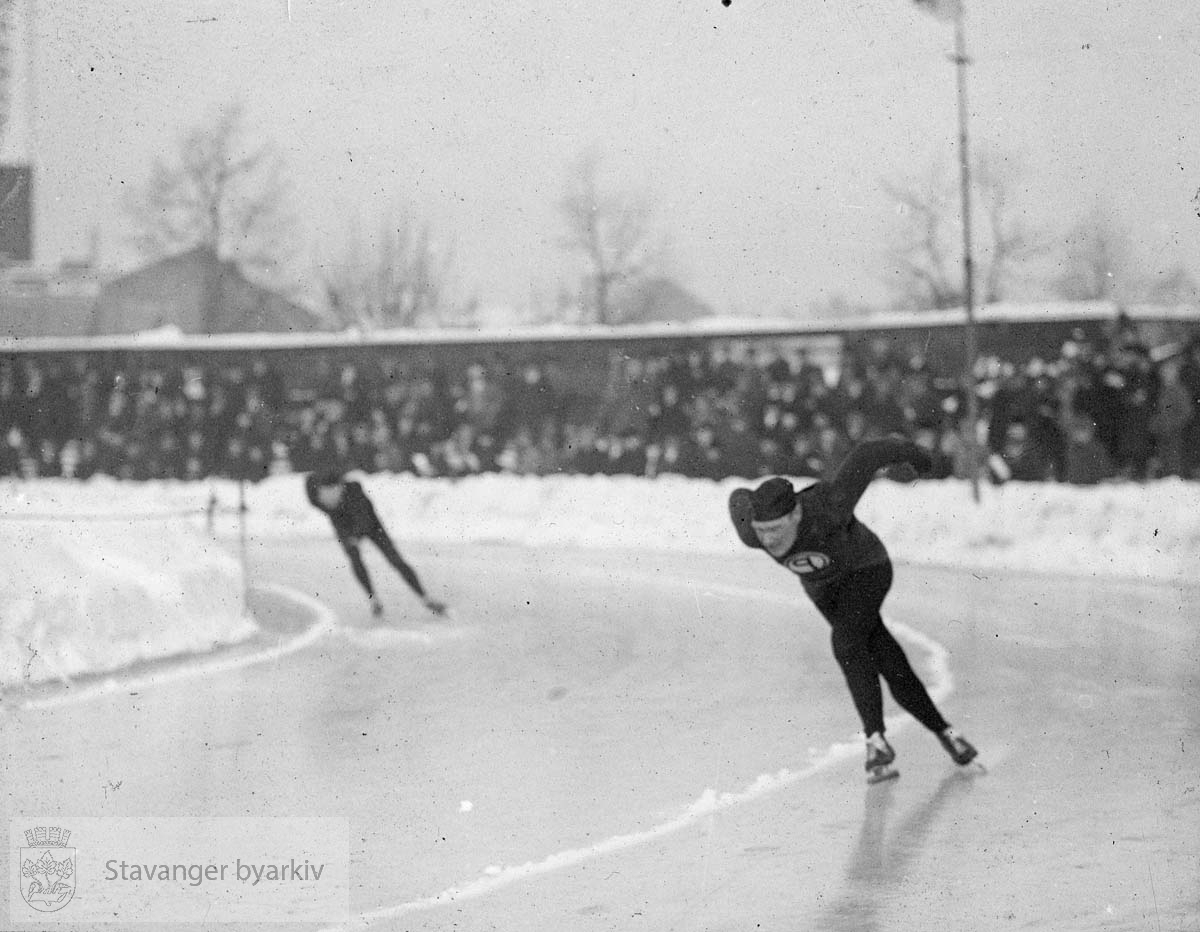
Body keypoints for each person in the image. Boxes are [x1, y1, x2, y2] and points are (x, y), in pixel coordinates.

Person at [728, 437, 977, 784]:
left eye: (776, 529)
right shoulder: (750, 528)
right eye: (762, 531)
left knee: (846, 642)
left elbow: (868, 453)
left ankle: (876, 741)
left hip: (867, 570)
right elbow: (738, 497)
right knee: (881, 651)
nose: (769, 540)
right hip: (824, 589)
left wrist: (919, 457)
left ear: (797, 512)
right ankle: (948, 734)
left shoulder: (829, 506)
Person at [305, 470, 446, 619]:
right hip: (342, 525)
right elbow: (311, 489)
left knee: (394, 559)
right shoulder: (315, 495)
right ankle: (373, 599)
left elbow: (364, 520)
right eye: (325, 497)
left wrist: (355, 537)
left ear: (340, 487)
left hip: (371, 525)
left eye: (334, 495)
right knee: (354, 558)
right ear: (320, 491)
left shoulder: (355, 493)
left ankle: (425, 597)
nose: (330, 500)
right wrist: (347, 535)